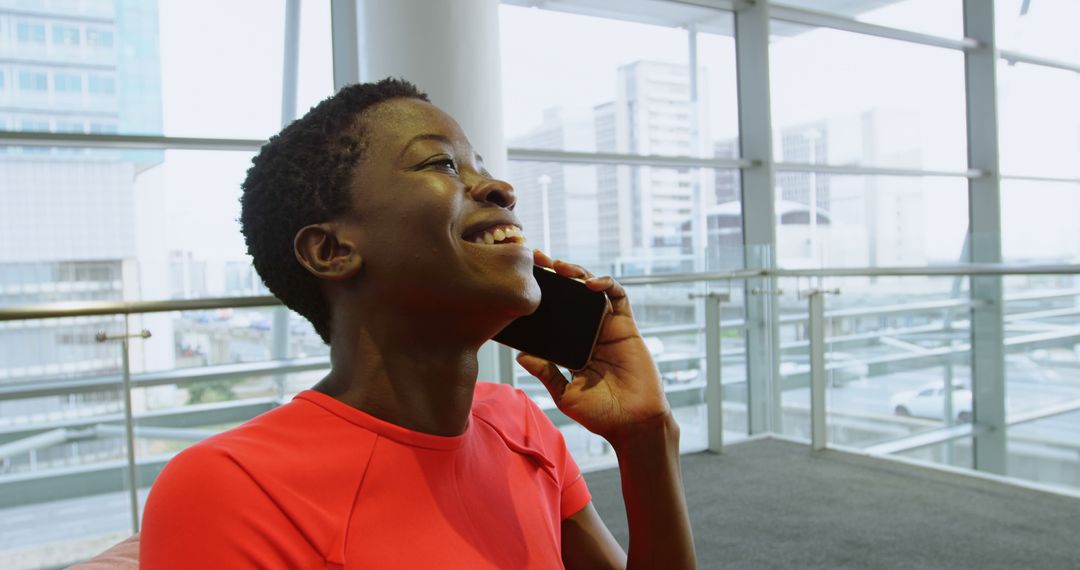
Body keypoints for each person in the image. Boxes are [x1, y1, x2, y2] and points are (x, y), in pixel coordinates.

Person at [140, 78, 695, 569]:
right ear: (331, 249)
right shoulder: (231, 487)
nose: (500, 187)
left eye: (479, 165)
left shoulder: (518, 423)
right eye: (442, 164)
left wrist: (647, 437)